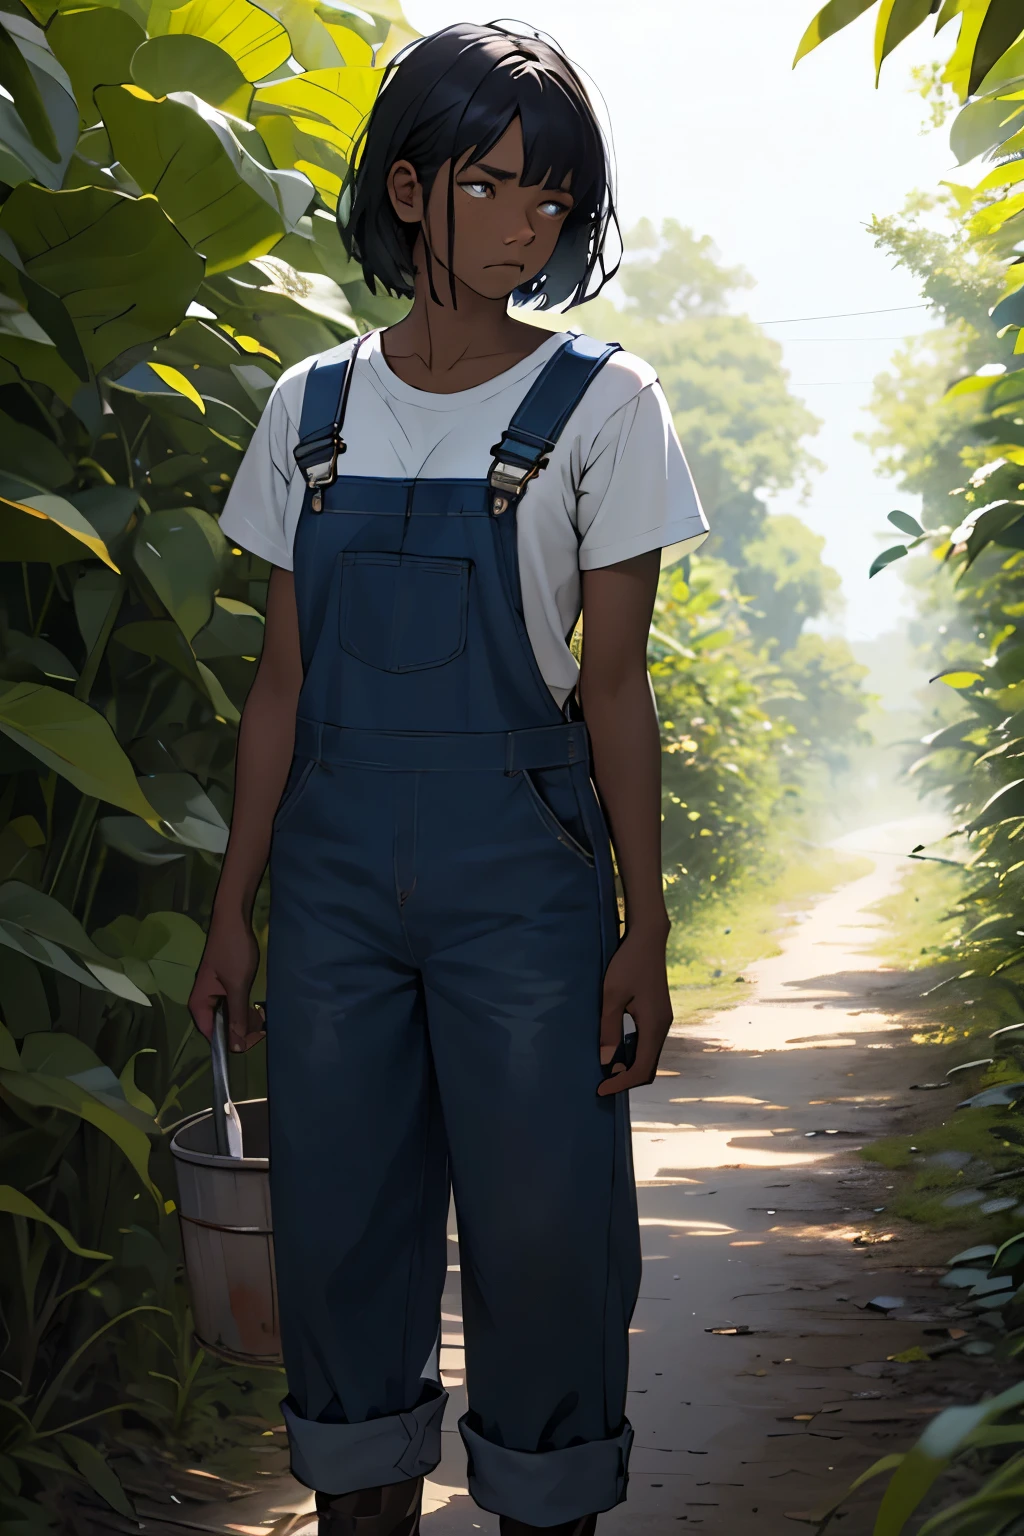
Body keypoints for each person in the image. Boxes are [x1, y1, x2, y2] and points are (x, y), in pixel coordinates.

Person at [188, 20, 708, 1536]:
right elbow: (279, 685)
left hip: (524, 881)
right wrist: (235, 911)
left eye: (556, 198)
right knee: (342, 1237)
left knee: (549, 1238)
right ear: (411, 190)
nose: (531, 225)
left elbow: (616, 689)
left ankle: (549, 1502)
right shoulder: (313, 410)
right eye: (497, 186)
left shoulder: (608, 404)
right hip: (333, 879)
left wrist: (646, 927)